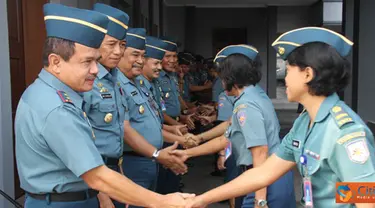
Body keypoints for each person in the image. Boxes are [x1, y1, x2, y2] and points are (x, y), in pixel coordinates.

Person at [15, 3, 192, 208]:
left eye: (96, 62)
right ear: (55, 62)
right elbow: (96, 175)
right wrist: (161, 201)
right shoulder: (56, 107)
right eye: (87, 62)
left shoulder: (53, 94)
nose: (95, 70)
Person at [185, 27, 375, 208]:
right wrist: (201, 200)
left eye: (289, 69)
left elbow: (366, 201)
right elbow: (264, 173)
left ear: (307, 74)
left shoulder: (345, 133)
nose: (284, 78)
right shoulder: (305, 122)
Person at [173, 44, 296, 208]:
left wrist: (260, 200)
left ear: (231, 78)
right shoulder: (252, 95)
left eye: (222, 76)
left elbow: (259, 152)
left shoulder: (247, 105)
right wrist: (187, 153)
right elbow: (226, 138)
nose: (220, 81)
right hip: (267, 177)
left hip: (264, 181)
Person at [115, 29, 188, 208]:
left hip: (150, 159)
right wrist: (158, 153)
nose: (139, 61)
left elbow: (151, 121)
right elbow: (125, 128)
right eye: (135, 55)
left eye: (142, 56)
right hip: (133, 161)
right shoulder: (116, 84)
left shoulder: (137, 83)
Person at [81, 3, 129, 207]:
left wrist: (122, 178)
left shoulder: (114, 78)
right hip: (94, 180)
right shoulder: (85, 81)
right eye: (111, 44)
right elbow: (81, 145)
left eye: (123, 45)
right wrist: (102, 194)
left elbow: (117, 132)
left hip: (113, 171)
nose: (118, 51)